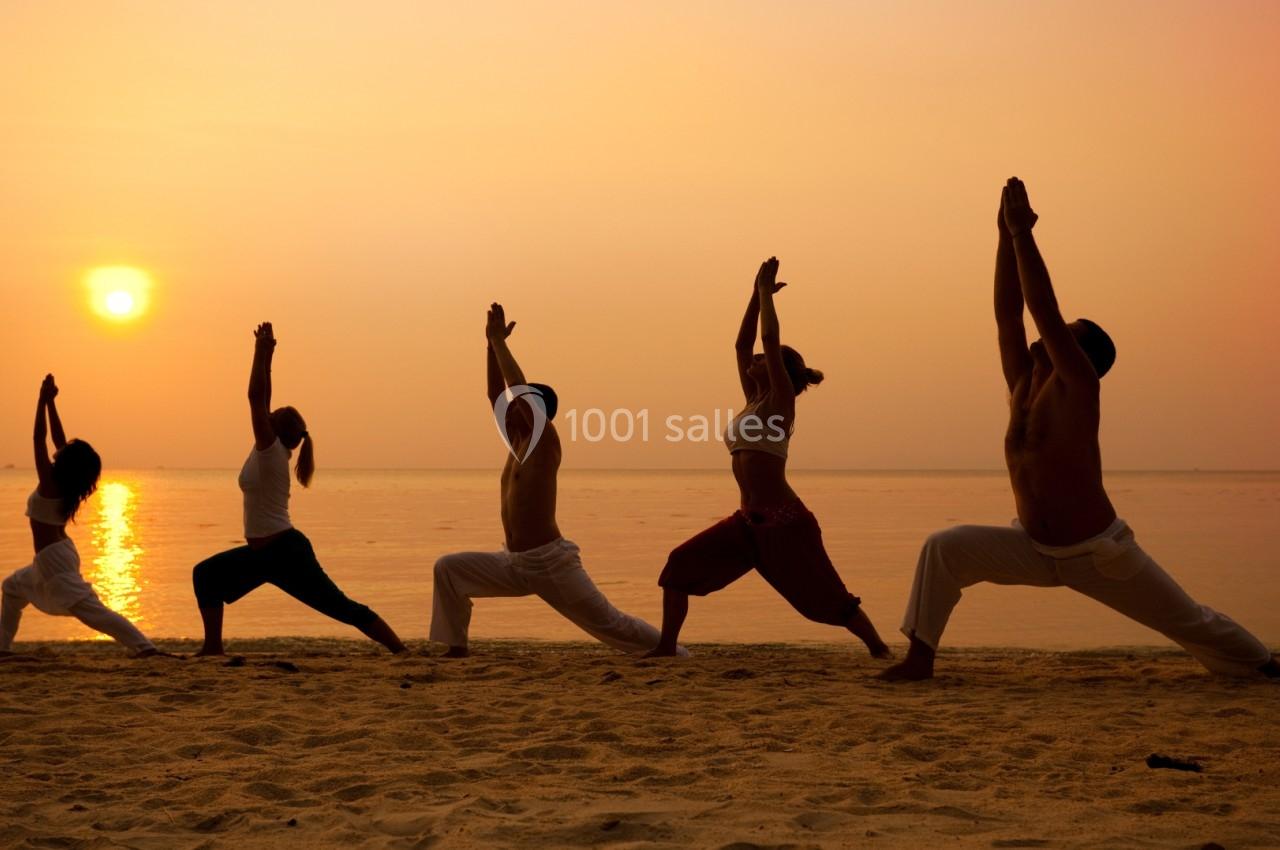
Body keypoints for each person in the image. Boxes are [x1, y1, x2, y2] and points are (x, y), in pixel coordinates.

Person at [878, 177, 1278, 681]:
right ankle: (920, 660)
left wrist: (1025, 234)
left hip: (1098, 554)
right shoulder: (1024, 383)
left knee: (1189, 621)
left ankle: (1263, 664)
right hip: (1033, 548)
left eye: (1068, 334)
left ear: (1082, 355)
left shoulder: (1078, 386)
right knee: (945, 547)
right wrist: (1003, 235)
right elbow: (1008, 314)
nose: (1054, 333)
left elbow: (1042, 309)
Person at [645, 258, 891, 659]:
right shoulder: (752, 400)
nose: (754, 359)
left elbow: (770, 342)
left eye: (764, 360)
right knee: (679, 566)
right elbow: (742, 345)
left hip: (785, 524)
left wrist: (766, 294)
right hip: (746, 523)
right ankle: (667, 647)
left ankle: (878, 648)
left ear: (780, 371)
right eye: (756, 360)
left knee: (826, 599)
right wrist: (753, 295)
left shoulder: (780, 401)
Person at [430, 304, 680, 657]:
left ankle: (672, 652)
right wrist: (489, 344)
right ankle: (456, 648)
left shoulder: (543, 441)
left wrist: (501, 342)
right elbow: (494, 394)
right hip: (514, 563)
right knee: (449, 569)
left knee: (611, 623)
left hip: (548, 562)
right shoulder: (516, 443)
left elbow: (514, 387)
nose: (510, 408)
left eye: (520, 405)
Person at [191, 323, 406, 656]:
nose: (267, 413)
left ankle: (400, 650)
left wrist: (259, 352)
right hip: (264, 555)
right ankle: (213, 648)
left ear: (275, 429)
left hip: (285, 553)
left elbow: (255, 398)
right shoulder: (270, 450)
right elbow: (264, 399)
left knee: (340, 607)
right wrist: (270, 356)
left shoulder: (270, 452)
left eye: (272, 415)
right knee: (206, 576)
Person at [1, 374, 159, 656]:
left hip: (54, 559)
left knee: (92, 611)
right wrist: (51, 403)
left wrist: (40, 399)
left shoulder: (50, 484)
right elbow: (59, 442)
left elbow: (40, 439)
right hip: (51, 556)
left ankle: (144, 647)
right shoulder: (65, 485)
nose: (59, 452)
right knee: (12, 589)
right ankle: (1, 648)